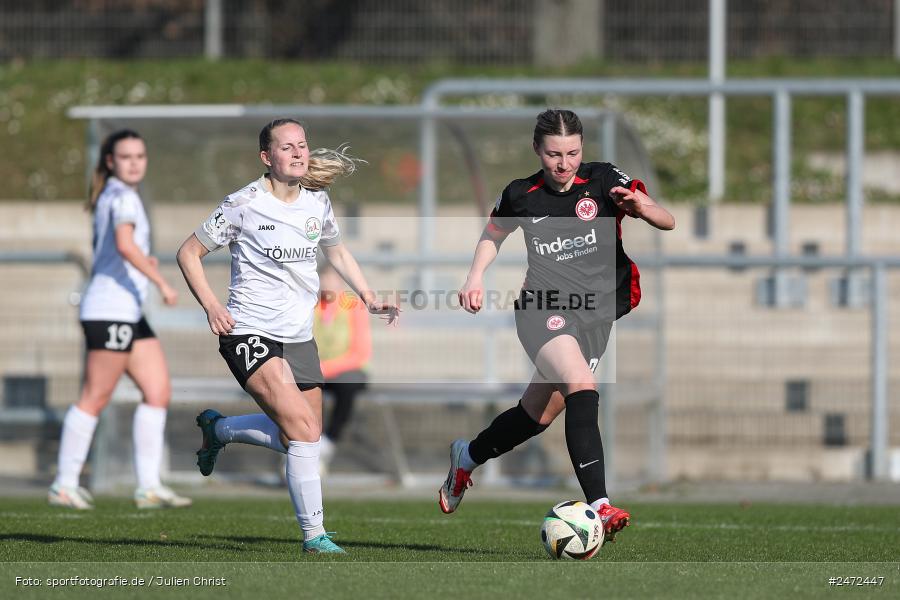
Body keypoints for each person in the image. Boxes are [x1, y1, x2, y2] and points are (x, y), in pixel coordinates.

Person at [438, 109, 675, 542]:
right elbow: (493, 234)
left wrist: (642, 206)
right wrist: (474, 277)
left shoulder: (603, 180)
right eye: (553, 154)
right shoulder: (521, 194)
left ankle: (466, 457)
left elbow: (667, 220)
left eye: (572, 152)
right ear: (537, 151)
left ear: (582, 149)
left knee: (536, 415)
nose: (563, 163)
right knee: (581, 384)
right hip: (541, 309)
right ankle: (600, 505)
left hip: (596, 314)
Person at [176, 119, 399, 555]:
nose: (298, 153)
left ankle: (219, 430)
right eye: (287, 147)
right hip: (247, 330)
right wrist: (211, 305)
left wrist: (368, 296)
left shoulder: (317, 201)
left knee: (302, 435)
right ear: (267, 157)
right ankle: (314, 535)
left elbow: (336, 250)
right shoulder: (243, 204)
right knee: (301, 429)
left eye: (303, 145)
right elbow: (188, 252)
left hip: (299, 336)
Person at [49, 129, 191, 510]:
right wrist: (161, 281)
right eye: (126, 157)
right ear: (110, 161)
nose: (134, 163)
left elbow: (123, 249)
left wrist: (146, 267)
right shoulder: (122, 196)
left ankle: (148, 486)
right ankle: (64, 483)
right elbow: (126, 245)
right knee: (95, 397)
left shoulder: (116, 194)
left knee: (157, 390)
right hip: (109, 311)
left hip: (127, 311)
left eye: (140, 156)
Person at [314, 261, 371, 473]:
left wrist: (324, 367)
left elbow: (360, 353)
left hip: (344, 371)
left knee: (348, 385)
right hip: (316, 371)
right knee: (300, 387)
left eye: (334, 279)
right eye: (324, 278)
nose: (328, 283)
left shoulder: (353, 306)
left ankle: (327, 442)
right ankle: (307, 444)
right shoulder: (311, 306)